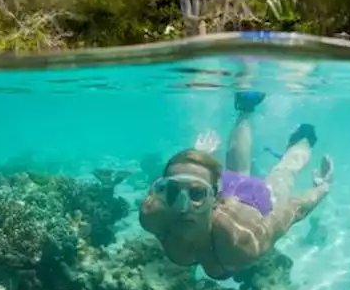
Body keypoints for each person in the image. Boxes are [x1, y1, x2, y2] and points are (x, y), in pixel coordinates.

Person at [139, 90, 334, 279]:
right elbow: (171, 183)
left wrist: (322, 187)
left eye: (196, 194)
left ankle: (302, 140)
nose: (182, 207)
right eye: (172, 192)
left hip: (257, 203)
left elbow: (294, 210)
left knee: (284, 171)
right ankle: (245, 109)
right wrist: (198, 156)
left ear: (215, 197)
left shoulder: (242, 242)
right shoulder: (152, 214)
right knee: (238, 172)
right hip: (225, 198)